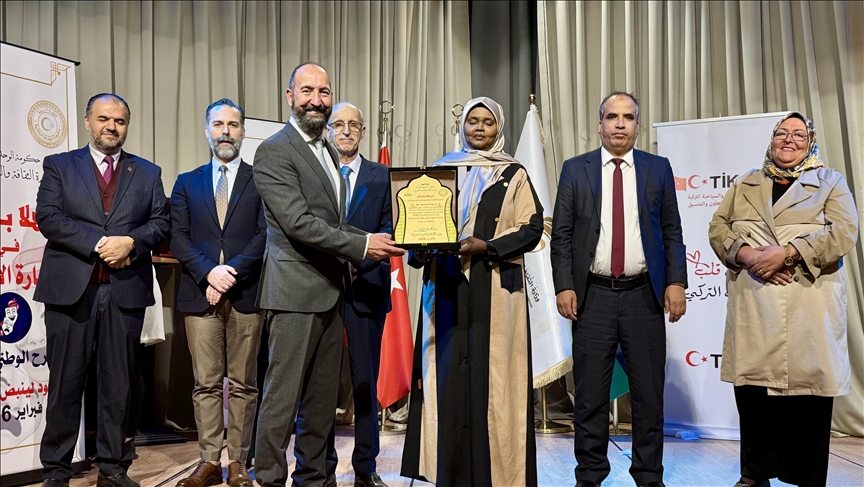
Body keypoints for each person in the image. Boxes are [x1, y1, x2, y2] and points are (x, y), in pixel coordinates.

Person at [252, 62, 403, 487]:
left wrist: (373, 237)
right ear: (290, 97)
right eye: (307, 91)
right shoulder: (274, 151)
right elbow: (298, 223)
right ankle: (268, 478)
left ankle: (313, 479)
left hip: (332, 292)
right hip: (293, 294)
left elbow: (333, 223)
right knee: (282, 401)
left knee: (321, 403)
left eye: (324, 92)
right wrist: (363, 246)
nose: (316, 100)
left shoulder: (327, 152)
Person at [708, 112, 858, 487]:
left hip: (808, 308)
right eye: (782, 133)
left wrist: (787, 253)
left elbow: (844, 232)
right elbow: (718, 228)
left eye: (799, 135)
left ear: (811, 143)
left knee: (808, 401)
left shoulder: (830, 182)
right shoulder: (745, 182)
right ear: (772, 140)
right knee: (754, 396)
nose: (789, 140)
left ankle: (806, 478)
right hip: (754, 305)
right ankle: (754, 475)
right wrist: (746, 255)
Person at [400, 96, 543, 487]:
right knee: (447, 378)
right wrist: (419, 248)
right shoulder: (439, 171)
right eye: (473, 121)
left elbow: (532, 228)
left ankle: (494, 473)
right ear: (461, 126)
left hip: (494, 286)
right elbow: (416, 227)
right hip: (445, 285)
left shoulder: (513, 172)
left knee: (492, 380)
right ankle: (447, 470)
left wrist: (488, 246)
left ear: (499, 128)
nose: (479, 128)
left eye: (487, 122)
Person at [550, 91, 687, 487]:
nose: (620, 124)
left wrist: (676, 281)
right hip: (592, 298)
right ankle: (589, 476)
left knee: (649, 396)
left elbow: (672, 232)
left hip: (644, 296)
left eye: (628, 117)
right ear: (600, 125)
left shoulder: (657, 168)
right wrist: (564, 286)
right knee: (590, 396)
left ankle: (649, 476)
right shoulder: (575, 169)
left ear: (637, 126)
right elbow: (562, 236)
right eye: (612, 116)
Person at [34, 93, 170, 487]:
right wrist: (98, 244)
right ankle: (56, 471)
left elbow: (161, 223)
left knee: (118, 386)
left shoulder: (148, 172)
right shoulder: (59, 165)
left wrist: (131, 243)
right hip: (70, 291)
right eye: (103, 119)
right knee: (65, 385)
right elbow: (48, 217)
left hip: (125, 291)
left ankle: (113, 468)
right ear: (87, 122)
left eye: (120, 121)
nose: (112, 126)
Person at [169, 98, 266, 487]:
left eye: (233, 125)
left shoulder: (260, 179)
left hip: (247, 294)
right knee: (206, 383)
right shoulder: (186, 182)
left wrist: (230, 274)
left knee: (243, 384)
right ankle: (209, 461)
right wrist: (210, 273)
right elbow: (177, 237)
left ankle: (238, 462)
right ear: (207, 130)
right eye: (218, 124)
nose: (226, 131)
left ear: (243, 131)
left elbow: (265, 235)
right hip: (200, 293)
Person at [321, 102, 392, 487]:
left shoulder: (383, 176)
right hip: (322, 288)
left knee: (365, 382)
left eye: (353, 125)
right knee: (322, 384)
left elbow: (390, 229)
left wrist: (356, 258)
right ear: (328, 130)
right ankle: (323, 467)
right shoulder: (316, 171)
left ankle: (366, 466)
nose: (346, 131)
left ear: (363, 131)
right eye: (338, 124)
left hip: (367, 287)